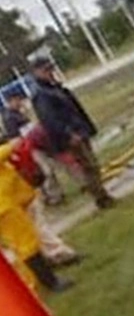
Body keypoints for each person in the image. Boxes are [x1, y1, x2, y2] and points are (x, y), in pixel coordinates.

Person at [28, 56, 115, 210]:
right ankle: (101, 199)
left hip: (78, 131)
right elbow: (50, 120)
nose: (51, 72)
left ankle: (102, 195)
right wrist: (69, 134)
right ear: (36, 72)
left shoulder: (53, 87)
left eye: (51, 68)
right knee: (88, 166)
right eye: (46, 70)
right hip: (70, 136)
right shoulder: (41, 94)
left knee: (92, 165)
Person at [0, 137, 72, 293]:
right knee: (27, 246)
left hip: (9, 202)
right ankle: (50, 282)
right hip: (4, 208)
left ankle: (36, 281)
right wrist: (10, 146)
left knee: (24, 245)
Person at [8, 132, 80, 268]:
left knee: (37, 226)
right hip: (16, 197)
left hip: (22, 192)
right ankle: (59, 254)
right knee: (37, 227)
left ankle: (53, 255)